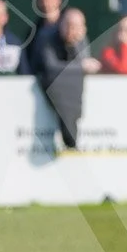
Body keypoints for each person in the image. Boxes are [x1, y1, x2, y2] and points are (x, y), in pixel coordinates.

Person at [33, 8, 102, 149]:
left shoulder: (80, 39)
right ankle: (69, 138)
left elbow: (82, 62)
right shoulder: (46, 37)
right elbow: (51, 67)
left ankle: (70, 137)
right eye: (69, 25)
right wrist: (81, 66)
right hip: (48, 84)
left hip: (72, 92)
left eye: (77, 27)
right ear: (61, 24)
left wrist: (75, 45)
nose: (72, 30)